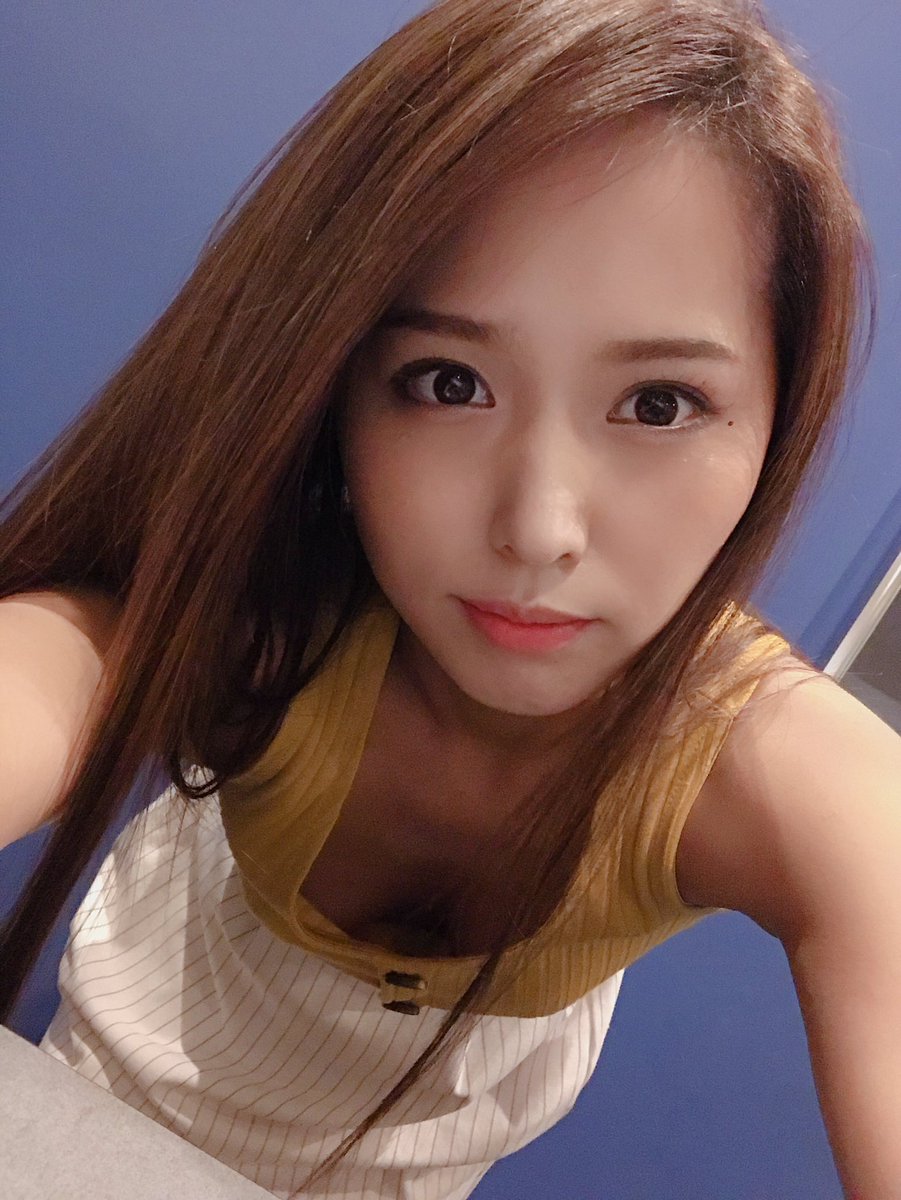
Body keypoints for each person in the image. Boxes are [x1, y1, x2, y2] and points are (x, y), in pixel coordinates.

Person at [1, 0, 899, 1196]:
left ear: (773, 425)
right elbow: (51, 666)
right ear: (334, 389)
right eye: (447, 382)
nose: (538, 529)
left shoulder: (771, 771)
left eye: (659, 404)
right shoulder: (267, 613)